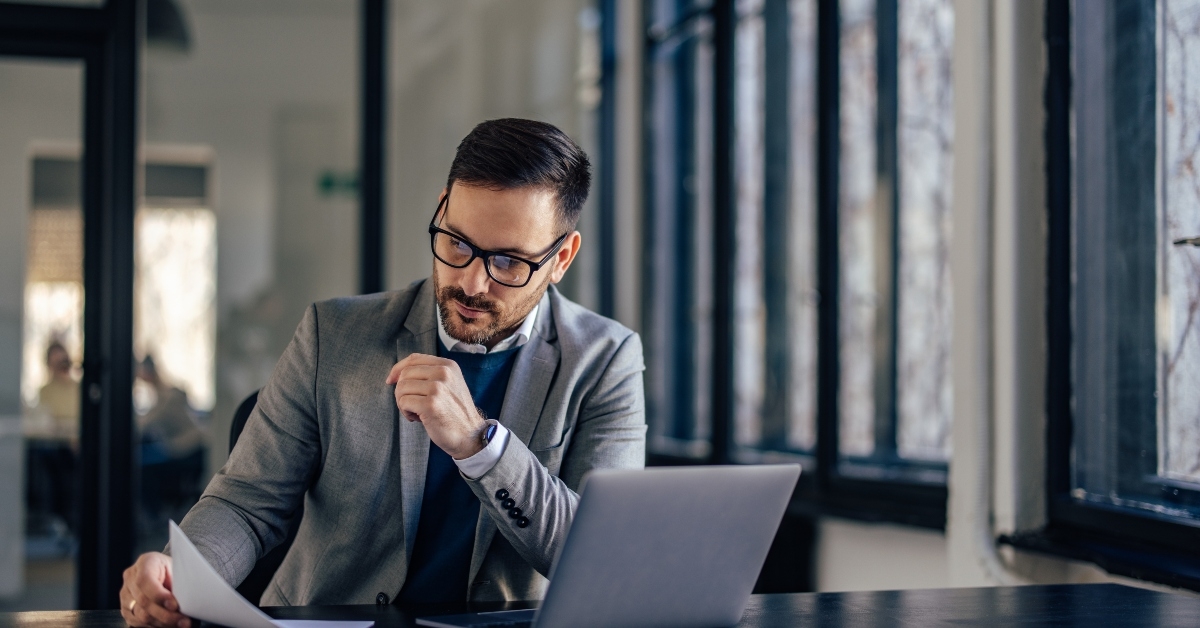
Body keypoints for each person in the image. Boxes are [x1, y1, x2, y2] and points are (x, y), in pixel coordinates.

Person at [121, 118, 646, 627]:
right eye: (457, 242)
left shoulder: (605, 361)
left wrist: (481, 446)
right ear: (442, 209)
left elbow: (605, 560)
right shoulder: (334, 335)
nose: (472, 282)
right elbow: (247, 503)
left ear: (561, 258)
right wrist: (180, 573)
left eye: (508, 262)